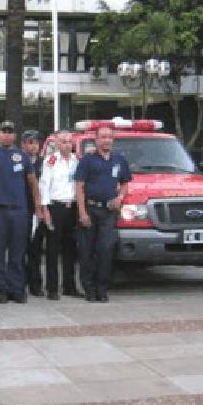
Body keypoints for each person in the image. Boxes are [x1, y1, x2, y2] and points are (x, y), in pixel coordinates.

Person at [0, 120, 43, 304]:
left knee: (18, 253)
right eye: (4, 131)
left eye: (10, 131)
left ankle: (17, 289)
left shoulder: (22, 156)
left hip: (20, 210)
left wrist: (38, 207)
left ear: (15, 136)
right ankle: (1, 289)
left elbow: (33, 183)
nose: (7, 134)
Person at [74, 126, 131, 303]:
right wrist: (82, 212)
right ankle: (89, 289)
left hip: (108, 212)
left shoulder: (119, 160)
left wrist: (120, 197)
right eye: (103, 137)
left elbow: (124, 183)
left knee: (106, 251)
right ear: (96, 140)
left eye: (109, 137)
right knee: (87, 252)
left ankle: (102, 288)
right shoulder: (87, 160)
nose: (106, 140)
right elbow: (79, 187)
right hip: (90, 210)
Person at [39, 130, 82, 300]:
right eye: (64, 141)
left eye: (70, 141)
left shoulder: (75, 161)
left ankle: (69, 286)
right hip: (55, 207)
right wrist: (45, 209)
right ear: (57, 144)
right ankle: (52, 288)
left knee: (70, 249)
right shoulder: (51, 161)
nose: (67, 144)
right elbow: (44, 185)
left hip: (72, 208)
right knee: (52, 249)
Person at [21, 130, 46, 297]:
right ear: (23, 145)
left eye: (36, 142)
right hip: (22, 208)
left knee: (36, 249)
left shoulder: (45, 163)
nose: (34, 146)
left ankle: (36, 284)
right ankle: (20, 283)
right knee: (21, 248)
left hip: (40, 209)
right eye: (30, 142)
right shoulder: (19, 161)